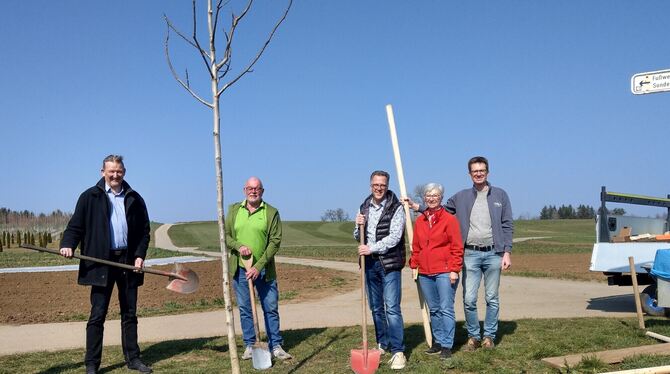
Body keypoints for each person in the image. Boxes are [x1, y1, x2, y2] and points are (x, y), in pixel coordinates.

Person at [407, 156, 513, 351]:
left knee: (492, 298)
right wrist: (418, 208)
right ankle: (473, 336)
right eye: (475, 171)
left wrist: (507, 251)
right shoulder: (461, 196)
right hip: (470, 254)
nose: (479, 174)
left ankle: (489, 335)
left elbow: (507, 224)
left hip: (494, 254)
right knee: (469, 299)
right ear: (470, 174)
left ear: (487, 172)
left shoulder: (500, 195)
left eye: (482, 170)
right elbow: (439, 211)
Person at [59, 155, 152, 374]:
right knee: (97, 314)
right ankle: (92, 364)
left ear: (124, 172)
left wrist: (139, 256)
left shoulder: (134, 198)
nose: (115, 175)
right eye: (111, 171)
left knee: (129, 313)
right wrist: (68, 244)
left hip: (128, 261)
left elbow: (144, 231)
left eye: (118, 171)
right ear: (102, 172)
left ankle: (133, 359)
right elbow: (75, 226)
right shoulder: (89, 197)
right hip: (101, 262)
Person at [225, 177, 293, 361]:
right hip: (240, 269)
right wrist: (239, 246)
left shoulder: (271, 212)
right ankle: (250, 344)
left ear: (262, 191)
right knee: (246, 308)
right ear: (244, 190)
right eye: (250, 188)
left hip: (264, 270)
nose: (253, 191)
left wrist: (258, 266)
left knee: (270, 308)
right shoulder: (233, 210)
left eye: (257, 188)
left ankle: (276, 345)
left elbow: (275, 242)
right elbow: (226, 235)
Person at [354, 170, 407, 370]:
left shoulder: (397, 207)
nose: (379, 188)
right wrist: (357, 227)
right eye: (376, 185)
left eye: (382, 185)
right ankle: (383, 344)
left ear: (387, 185)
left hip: (390, 262)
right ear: (370, 185)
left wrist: (371, 248)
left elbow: (394, 237)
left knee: (391, 307)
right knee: (376, 307)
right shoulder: (364, 206)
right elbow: (357, 236)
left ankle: (398, 350)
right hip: (369, 264)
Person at [409, 182, 463, 359]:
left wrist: (454, 270)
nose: (432, 198)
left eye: (435, 196)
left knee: (446, 308)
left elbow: (456, 247)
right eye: (428, 196)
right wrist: (414, 265)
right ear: (424, 198)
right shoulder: (420, 221)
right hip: (425, 272)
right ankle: (438, 341)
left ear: (441, 198)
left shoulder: (449, 219)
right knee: (434, 309)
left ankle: (447, 344)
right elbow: (416, 246)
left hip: (445, 272)